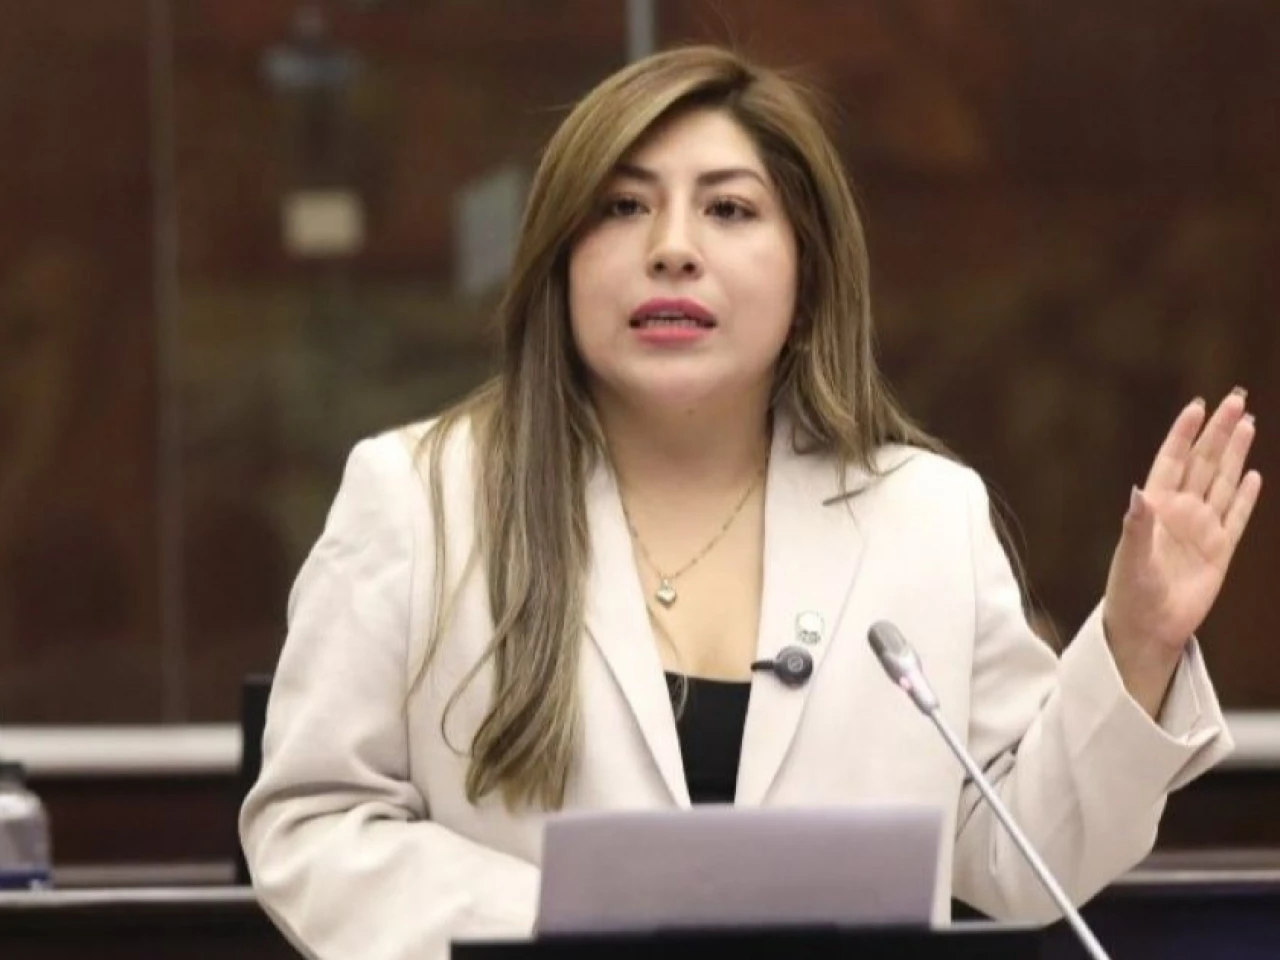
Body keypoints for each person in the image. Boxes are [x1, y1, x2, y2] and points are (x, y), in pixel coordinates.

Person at [239, 44, 1262, 960]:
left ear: (806, 275)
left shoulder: (924, 517)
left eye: (728, 210)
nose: (672, 247)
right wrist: (567, 926)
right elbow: (313, 822)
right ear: (560, 261)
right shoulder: (420, 499)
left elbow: (1018, 857)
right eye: (622, 207)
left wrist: (1137, 644)